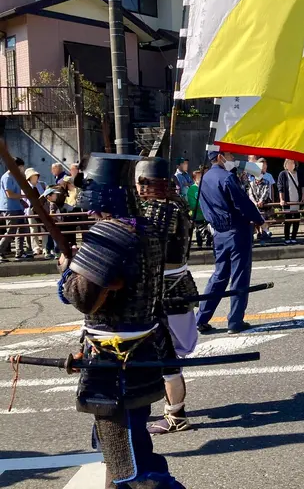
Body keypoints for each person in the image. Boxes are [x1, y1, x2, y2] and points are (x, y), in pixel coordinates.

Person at [57, 153, 185, 489]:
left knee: (132, 462)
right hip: (140, 353)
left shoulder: (108, 234)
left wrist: (67, 271)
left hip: (115, 362)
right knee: (119, 452)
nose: (87, 210)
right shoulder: (146, 228)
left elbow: (82, 297)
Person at [134, 158, 199, 436]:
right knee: (168, 351)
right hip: (179, 285)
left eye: (139, 183)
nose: (136, 188)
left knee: (165, 354)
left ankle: (176, 414)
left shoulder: (155, 211)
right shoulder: (179, 205)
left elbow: (146, 249)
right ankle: (171, 403)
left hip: (163, 291)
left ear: (146, 183)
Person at [196, 151, 264, 335]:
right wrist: (258, 219)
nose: (233, 159)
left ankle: (201, 319)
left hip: (218, 232)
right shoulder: (227, 178)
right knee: (239, 276)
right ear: (220, 157)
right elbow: (242, 203)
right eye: (230, 155)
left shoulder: (204, 179)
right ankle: (235, 321)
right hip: (237, 230)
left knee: (219, 275)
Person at [0, 157, 28, 263]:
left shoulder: (15, 176)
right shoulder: (7, 177)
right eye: (21, 167)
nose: (22, 169)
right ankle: (0, 251)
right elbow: (9, 194)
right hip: (9, 207)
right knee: (11, 231)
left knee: (22, 229)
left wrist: (21, 201)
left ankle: (19, 252)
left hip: (17, 206)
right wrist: (22, 196)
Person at [248, 159, 276, 246]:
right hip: (254, 205)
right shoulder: (252, 183)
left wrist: (261, 201)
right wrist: (255, 202)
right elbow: (250, 194)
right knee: (252, 220)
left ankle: (264, 238)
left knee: (264, 218)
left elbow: (266, 192)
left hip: (264, 204)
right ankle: (251, 239)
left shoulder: (266, 182)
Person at [278, 159, 304, 245]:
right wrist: (281, 199)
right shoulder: (283, 174)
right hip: (287, 200)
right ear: (285, 164)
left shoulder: (299, 173)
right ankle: (286, 238)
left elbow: (302, 185)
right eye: (288, 163)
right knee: (288, 220)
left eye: (292, 162)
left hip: (297, 199)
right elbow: (280, 187)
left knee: (297, 219)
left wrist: (303, 196)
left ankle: (294, 237)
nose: (291, 164)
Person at [187, 169, 212, 249]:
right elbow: (193, 204)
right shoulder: (192, 189)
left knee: (209, 230)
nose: (201, 179)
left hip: (207, 214)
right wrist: (204, 205)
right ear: (194, 179)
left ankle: (208, 243)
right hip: (198, 215)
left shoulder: (205, 188)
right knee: (199, 230)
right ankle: (199, 244)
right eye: (199, 178)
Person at [24, 168, 47, 256]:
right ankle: (36, 247)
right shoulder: (25, 186)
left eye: (36, 176)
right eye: (33, 176)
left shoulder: (42, 184)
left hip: (42, 208)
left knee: (44, 228)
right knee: (33, 229)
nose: (35, 178)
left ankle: (45, 247)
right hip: (30, 209)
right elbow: (23, 200)